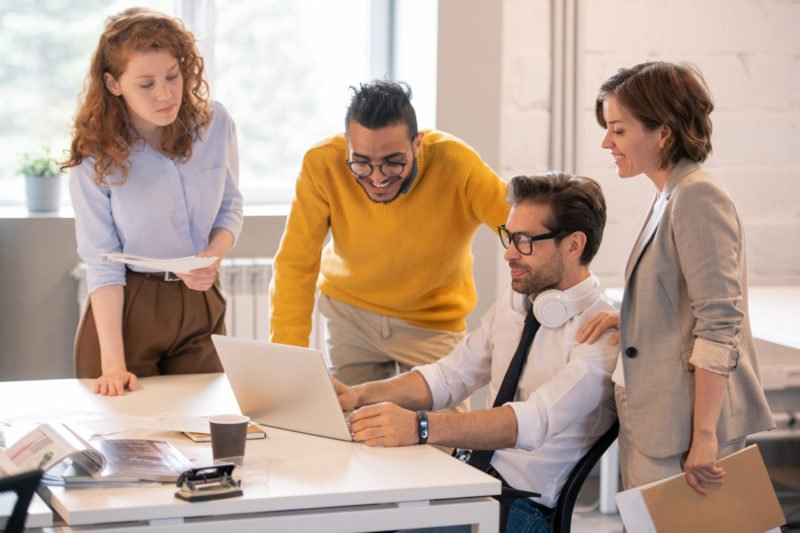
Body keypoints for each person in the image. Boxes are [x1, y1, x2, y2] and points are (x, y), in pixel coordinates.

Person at [334, 172, 618, 532]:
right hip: (471, 480)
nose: (509, 253)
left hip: (522, 507)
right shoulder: (518, 301)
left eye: (525, 241)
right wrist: (358, 395)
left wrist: (420, 426)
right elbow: (448, 377)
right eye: (509, 236)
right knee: (353, 508)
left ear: (574, 245)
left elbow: (531, 421)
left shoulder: (602, 336)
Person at [578, 61, 774, 495]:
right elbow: (680, 298)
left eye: (618, 130)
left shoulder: (696, 195)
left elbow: (719, 324)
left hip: (684, 426)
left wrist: (704, 436)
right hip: (659, 416)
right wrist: (632, 318)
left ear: (663, 133)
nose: (607, 142)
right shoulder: (670, 192)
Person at [269, 80, 509, 387]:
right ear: (347, 144)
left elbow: (520, 225)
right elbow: (295, 263)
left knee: (443, 419)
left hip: (431, 323)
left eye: (393, 163)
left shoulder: (457, 163)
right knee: (349, 415)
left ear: (417, 144)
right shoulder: (322, 163)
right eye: (362, 163)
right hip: (351, 316)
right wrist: (289, 361)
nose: (378, 177)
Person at [64, 8, 243, 397]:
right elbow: (102, 263)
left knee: (204, 421)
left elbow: (230, 206)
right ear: (113, 84)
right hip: (129, 306)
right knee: (127, 428)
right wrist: (114, 365)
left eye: (172, 77)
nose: (165, 94)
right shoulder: (94, 156)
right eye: (146, 84)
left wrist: (213, 255)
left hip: (200, 302)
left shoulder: (215, 124)